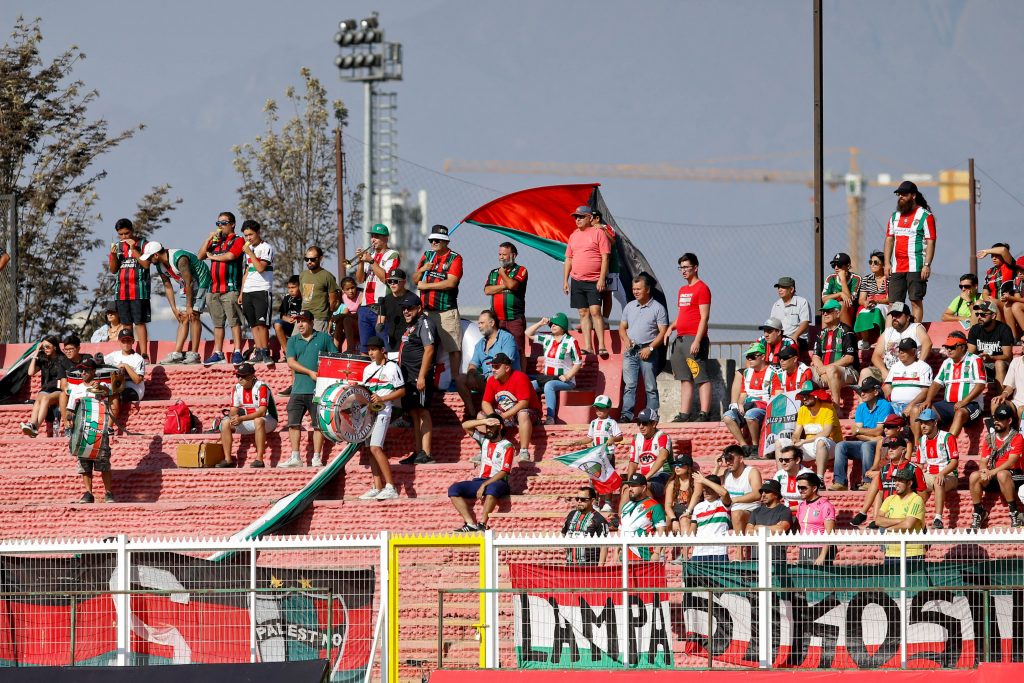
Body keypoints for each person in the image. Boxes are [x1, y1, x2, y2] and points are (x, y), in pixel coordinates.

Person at [415, 225, 466, 406]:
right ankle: (426, 381)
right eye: (431, 240)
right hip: (427, 310)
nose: (433, 243)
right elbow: (415, 279)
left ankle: (454, 380)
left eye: (437, 240)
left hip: (446, 311)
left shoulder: (455, 258)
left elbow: (451, 282)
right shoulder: (427, 256)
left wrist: (426, 285)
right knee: (426, 348)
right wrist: (422, 271)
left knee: (453, 348)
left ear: (445, 241)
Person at [280, 310, 338, 469]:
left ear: (312, 322)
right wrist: (310, 372)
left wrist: (324, 374)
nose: (300, 324)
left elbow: (334, 359)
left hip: (318, 391)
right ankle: (295, 457)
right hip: (298, 390)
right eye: (298, 321)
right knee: (293, 424)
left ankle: (317, 457)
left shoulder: (324, 338)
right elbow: (291, 362)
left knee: (318, 425)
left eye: (303, 321)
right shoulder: (292, 340)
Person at [140, 242, 210, 365]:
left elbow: (190, 283)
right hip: (186, 284)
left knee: (194, 315)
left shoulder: (179, 259)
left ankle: (194, 354)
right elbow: (168, 286)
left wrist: (189, 306)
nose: (149, 261)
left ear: (156, 255)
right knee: (183, 317)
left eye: (150, 258)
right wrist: (173, 308)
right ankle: (177, 354)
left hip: (200, 281)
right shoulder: (159, 266)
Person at [356, 336, 405, 500]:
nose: (371, 353)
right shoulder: (368, 369)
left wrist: (383, 399)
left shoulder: (392, 367)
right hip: (369, 413)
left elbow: (402, 391)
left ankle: (391, 487)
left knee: (376, 448)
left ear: (382, 350)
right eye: (369, 349)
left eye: (374, 349)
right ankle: (377, 486)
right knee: (370, 450)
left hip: (384, 411)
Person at [59, 358, 114, 503]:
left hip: (99, 430)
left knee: (104, 463)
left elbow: (109, 393)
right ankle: (88, 493)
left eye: (87, 370)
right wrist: (69, 420)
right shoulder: (76, 390)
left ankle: (108, 493)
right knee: (85, 464)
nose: (83, 373)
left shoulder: (102, 385)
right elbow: (70, 410)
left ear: (93, 371)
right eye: (82, 370)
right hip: (82, 431)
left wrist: (101, 389)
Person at [911, 333, 985, 439]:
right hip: (948, 405)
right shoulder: (947, 363)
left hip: (971, 405)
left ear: (963, 347)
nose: (949, 350)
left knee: (959, 413)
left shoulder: (975, 360)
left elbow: (980, 386)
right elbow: (936, 383)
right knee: (916, 409)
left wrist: (964, 402)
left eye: (952, 347)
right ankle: (919, 445)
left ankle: (948, 445)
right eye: (947, 347)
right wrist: (928, 400)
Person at [450, 414, 515, 532]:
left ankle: (482, 524)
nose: (488, 429)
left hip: (498, 482)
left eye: (491, 427)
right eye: (487, 427)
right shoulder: (484, 440)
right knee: (454, 489)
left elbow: (504, 471)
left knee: (492, 489)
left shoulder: (507, 446)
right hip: (480, 480)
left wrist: (484, 485)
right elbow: (465, 426)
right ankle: (470, 524)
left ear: (500, 427)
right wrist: (484, 420)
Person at [618, 274, 669, 422]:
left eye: (638, 289)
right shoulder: (629, 306)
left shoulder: (658, 308)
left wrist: (651, 348)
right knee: (629, 385)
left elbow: (663, 332)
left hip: (648, 351)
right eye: (634, 289)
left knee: (650, 387)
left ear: (647, 289)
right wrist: (626, 339)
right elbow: (622, 328)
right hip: (631, 351)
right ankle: (626, 415)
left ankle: (651, 416)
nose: (635, 291)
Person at [396, 293, 439, 466]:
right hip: (408, 378)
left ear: (419, 308)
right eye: (404, 308)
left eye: (410, 308)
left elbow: (429, 350)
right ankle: (418, 451)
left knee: (422, 411)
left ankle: (426, 453)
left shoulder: (425, 323)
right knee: (414, 413)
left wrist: (421, 376)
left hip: (419, 377)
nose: (406, 311)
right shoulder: (410, 326)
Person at [884, 180, 936, 323]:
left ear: (913, 195)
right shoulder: (895, 216)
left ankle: (916, 331)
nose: (900, 197)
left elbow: (931, 241)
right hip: (896, 267)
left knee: (915, 300)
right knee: (894, 303)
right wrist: (887, 263)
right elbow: (889, 239)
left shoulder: (925, 215)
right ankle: (890, 335)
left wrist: (927, 264)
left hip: (916, 265)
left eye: (904, 194)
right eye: (899, 194)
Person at [199, 211, 246, 365]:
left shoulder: (238, 240)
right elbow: (200, 256)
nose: (221, 226)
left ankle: (237, 351)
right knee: (217, 323)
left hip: (230, 288)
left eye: (224, 223)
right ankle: (218, 352)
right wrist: (209, 239)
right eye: (218, 223)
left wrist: (212, 257)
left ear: (232, 224)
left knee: (234, 322)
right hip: (213, 289)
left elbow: (231, 256)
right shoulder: (216, 242)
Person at [563, 206, 611, 356]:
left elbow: (605, 257)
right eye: (576, 217)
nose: (577, 219)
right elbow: (568, 258)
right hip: (576, 279)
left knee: (596, 311)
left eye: (581, 217)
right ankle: (588, 347)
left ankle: (602, 346)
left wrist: (602, 278)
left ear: (590, 218)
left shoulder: (599, 233)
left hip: (594, 279)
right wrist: (565, 280)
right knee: (583, 312)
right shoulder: (573, 235)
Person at [830, 377, 893, 491]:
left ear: (876, 391)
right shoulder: (861, 407)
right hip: (871, 443)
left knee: (866, 445)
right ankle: (840, 482)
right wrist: (872, 437)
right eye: (861, 391)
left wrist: (863, 432)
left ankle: (869, 481)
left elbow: (879, 431)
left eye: (866, 390)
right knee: (840, 445)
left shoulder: (884, 405)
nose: (862, 393)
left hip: (884, 446)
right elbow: (856, 433)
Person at [563, 394, 624, 512]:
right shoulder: (593, 423)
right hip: (595, 456)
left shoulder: (611, 423)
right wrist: (578, 442)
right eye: (597, 408)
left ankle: (607, 503)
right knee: (594, 479)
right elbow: (589, 438)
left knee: (607, 478)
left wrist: (613, 439)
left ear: (608, 409)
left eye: (601, 408)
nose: (599, 410)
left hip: (607, 454)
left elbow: (620, 437)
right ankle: (595, 502)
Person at [670, 252, 712, 422]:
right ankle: (684, 413)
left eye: (687, 267)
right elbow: (682, 314)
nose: (684, 271)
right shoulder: (682, 290)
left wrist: (697, 340)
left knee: (700, 376)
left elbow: (704, 317)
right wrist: (671, 327)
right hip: (680, 338)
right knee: (684, 378)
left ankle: (704, 413)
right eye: (681, 267)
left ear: (696, 268)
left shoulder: (702, 288)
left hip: (694, 338)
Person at [850, 435, 925, 527]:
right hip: (887, 518)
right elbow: (881, 494)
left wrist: (913, 514)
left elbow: (922, 496)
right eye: (889, 447)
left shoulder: (914, 469)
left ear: (904, 450)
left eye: (894, 447)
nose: (890, 450)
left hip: (907, 516)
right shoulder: (884, 469)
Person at [970, 403, 1024, 529]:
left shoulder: (1017, 437)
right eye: (995, 419)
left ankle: (1014, 512)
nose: (996, 422)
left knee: (1002, 473)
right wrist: (984, 471)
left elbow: (1011, 462)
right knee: (974, 476)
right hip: (994, 474)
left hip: (1015, 475)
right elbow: (984, 460)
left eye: (1000, 419)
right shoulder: (990, 438)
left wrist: (991, 472)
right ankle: (979, 512)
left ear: (1009, 420)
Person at [481, 352, 542, 462]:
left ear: (507, 368)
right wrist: (493, 416)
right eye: (492, 366)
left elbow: (524, 403)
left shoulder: (520, 377)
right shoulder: (491, 380)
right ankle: (485, 449)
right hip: (505, 415)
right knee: (481, 416)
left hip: (529, 414)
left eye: (497, 367)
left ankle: (524, 451)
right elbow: (485, 402)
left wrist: (502, 416)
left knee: (523, 414)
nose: (493, 369)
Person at [525, 313, 582, 425]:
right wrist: (541, 323)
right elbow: (528, 333)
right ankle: (533, 415)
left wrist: (567, 376)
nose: (553, 326)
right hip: (547, 378)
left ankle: (550, 418)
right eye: (551, 324)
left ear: (563, 326)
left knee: (549, 386)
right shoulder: (547, 339)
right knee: (529, 386)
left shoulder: (571, 341)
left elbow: (578, 363)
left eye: (556, 324)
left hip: (565, 381)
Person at [218, 362, 278, 468]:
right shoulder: (236, 388)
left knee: (258, 420)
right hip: (248, 420)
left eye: (243, 376)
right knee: (225, 423)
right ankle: (228, 459)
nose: (239, 379)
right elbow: (233, 410)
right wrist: (234, 417)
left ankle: (259, 459)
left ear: (251, 376)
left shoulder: (261, 387)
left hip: (269, 420)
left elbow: (262, 412)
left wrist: (241, 418)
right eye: (238, 376)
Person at [106, 218, 151, 358]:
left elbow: (146, 265)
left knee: (140, 322)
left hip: (139, 290)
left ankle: (144, 354)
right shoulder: (118, 246)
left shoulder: (143, 244)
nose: (124, 237)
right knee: (126, 324)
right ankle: (129, 354)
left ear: (132, 230)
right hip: (122, 292)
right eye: (121, 234)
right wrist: (113, 255)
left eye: (126, 233)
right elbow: (113, 270)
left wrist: (133, 249)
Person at [461, 310, 520, 412]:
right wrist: (470, 374)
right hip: (488, 381)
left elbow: (506, 363)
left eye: (482, 323)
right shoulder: (480, 344)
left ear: (492, 323)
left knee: (491, 379)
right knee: (460, 379)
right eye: (478, 323)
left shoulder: (507, 338)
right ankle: (471, 413)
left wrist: (491, 377)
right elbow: (473, 364)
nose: (479, 326)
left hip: (506, 380)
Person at [355, 223, 400, 353]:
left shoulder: (392, 254)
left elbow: (386, 278)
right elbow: (359, 279)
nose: (373, 239)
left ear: (385, 239)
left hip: (380, 306)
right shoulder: (370, 255)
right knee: (365, 348)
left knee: (383, 346)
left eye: (377, 237)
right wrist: (360, 262)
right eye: (372, 236)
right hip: (364, 306)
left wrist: (371, 262)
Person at [861, 302, 932, 383]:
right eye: (893, 315)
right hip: (888, 370)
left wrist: (919, 364)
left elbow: (928, 344)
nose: (894, 318)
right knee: (865, 372)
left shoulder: (915, 328)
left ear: (908, 317)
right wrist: (884, 371)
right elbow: (876, 356)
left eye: (898, 315)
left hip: (909, 369)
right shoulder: (887, 332)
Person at [722, 343, 771, 457]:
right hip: (749, 404)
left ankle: (755, 446)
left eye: (753, 356)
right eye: (748, 357)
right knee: (727, 416)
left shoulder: (772, 372)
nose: (749, 359)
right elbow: (743, 393)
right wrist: (739, 403)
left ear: (762, 356)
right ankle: (744, 446)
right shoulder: (747, 373)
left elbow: (775, 396)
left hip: (763, 405)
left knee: (750, 415)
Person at [913, 408, 959, 529]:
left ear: (935, 422)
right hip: (930, 474)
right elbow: (919, 464)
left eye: (927, 422)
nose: (923, 426)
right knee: (913, 482)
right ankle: (915, 518)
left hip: (949, 475)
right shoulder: (921, 440)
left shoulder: (947, 437)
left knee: (938, 481)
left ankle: (938, 518)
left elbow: (954, 462)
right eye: (921, 423)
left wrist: (942, 473)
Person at [238, 219, 274, 363]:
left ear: (258, 232)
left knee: (262, 323)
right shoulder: (249, 250)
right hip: (248, 290)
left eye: (251, 235)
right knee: (253, 323)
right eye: (246, 235)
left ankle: (266, 351)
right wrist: (242, 292)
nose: (248, 238)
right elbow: (247, 271)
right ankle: (258, 350)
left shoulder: (266, 248)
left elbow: (260, 268)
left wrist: (250, 253)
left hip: (262, 289)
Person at [20, 335, 72, 437]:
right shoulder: (43, 359)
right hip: (46, 390)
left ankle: (35, 427)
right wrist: (36, 352)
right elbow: (30, 372)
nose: (45, 349)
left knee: (45, 398)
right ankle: (32, 424)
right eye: (43, 347)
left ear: (55, 347)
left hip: (58, 390)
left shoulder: (62, 359)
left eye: (47, 347)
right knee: (39, 398)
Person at [873, 468, 926, 567]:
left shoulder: (916, 499)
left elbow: (908, 525)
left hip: (912, 553)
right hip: (891, 553)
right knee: (892, 582)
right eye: (895, 480)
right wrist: (902, 520)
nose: (896, 483)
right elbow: (878, 520)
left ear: (909, 483)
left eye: (900, 481)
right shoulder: (889, 499)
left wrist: (888, 528)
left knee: (914, 582)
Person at [810, 299, 858, 405]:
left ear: (837, 313)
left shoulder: (847, 331)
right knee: (805, 371)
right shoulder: (821, 334)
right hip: (826, 371)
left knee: (832, 369)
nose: (825, 314)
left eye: (828, 311)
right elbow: (816, 357)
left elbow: (849, 358)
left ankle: (836, 407)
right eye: (823, 312)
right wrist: (822, 371)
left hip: (848, 372)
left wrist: (826, 369)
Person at [791, 380, 843, 478]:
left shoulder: (828, 409)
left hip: (831, 446)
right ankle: (783, 478)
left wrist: (803, 441)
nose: (804, 398)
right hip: (809, 445)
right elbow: (797, 432)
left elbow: (826, 433)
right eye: (803, 396)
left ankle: (820, 479)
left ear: (816, 395)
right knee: (781, 443)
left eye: (807, 395)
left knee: (821, 441)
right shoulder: (802, 410)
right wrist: (794, 439)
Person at [484, 242, 529, 354]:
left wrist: (503, 274)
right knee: (496, 349)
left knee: (518, 350)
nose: (501, 257)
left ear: (513, 255)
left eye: (504, 254)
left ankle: (520, 372)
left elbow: (513, 285)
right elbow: (487, 290)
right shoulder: (494, 272)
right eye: (500, 254)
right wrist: (505, 285)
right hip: (497, 320)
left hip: (514, 319)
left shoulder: (521, 270)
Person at [714, 444, 762, 547]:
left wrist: (735, 500)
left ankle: (739, 555)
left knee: (736, 513)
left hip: (750, 511)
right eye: (726, 459)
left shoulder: (752, 472)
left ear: (740, 459)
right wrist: (717, 467)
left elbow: (757, 494)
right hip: (730, 511)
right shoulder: (727, 472)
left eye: (731, 459)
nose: (728, 462)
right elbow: (711, 483)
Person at [104, 328, 146, 435]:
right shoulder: (114, 355)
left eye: (128, 341)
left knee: (116, 394)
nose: (126, 343)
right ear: (119, 342)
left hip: (134, 389)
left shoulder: (138, 359)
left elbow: (137, 380)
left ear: (132, 342)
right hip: (117, 385)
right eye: (123, 341)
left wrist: (126, 366)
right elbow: (100, 363)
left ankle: (109, 427)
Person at [624, 407, 672, 502]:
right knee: (626, 490)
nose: (641, 426)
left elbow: (662, 458)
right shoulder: (637, 438)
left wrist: (644, 479)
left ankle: (653, 515)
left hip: (663, 476)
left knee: (645, 487)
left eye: (644, 423)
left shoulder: (662, 437)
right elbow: (633, 462)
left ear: (654, 424)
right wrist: (631, 482)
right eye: (639, 423)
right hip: (644, 477)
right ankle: (623, 516)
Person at [618, 473, 667, 562]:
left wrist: (657, 553)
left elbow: (661, 531)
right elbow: (620, 529)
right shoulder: (626, 506)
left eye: (634, 486)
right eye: (629, 486)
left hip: (644, 557)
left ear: (644, 488)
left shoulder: (654, 506)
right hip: (625, 558)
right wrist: (616, 552)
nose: (630, 489)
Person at [686, 472, 732, 564]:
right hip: (698, 553)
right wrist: (687, 551)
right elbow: (692, 529)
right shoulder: (698, 507)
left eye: (709, 488)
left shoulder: (723, 503)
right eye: (704, 488)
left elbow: (724, 493)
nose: (705, 491)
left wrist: (704, 480)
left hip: (719, 552)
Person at [745, 479, 793, 563]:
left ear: (776, 494)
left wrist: (758, 527)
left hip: (776, 558)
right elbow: (748, 532)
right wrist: (773, 528)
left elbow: (781, 530)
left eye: (767, 491)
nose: (763, 494)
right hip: (756, 557)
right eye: (762, 492)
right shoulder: (756, 511)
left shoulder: (784, 510)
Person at [967, 299, 1014, 385]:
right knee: (968, 364)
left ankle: (1000, 397)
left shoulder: (1004, 329)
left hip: (1001, 365)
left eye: (983, 314)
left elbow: (1007, 356)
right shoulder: (975, 329)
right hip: (982, 363)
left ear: (993, 316)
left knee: (999, 364)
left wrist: (991, 358)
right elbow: (970, 354)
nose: (979, 317)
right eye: (977, 314)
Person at [882, 338, 933, 417]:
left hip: (913, 405)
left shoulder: (923, 367)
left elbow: (925, 391)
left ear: (914, 352)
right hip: (893, 404)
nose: (901, 352)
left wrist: (911, 405)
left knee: (913, 411)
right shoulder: (895, 366)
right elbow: (887, 386)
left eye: (905, 350)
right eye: (900, 350)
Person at [561, 486, 610, 565]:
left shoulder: (600, 520)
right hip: (570, 566)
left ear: (592, 501)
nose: (579, 501)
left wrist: (600, 568)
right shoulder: (571, 515)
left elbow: (604, 546)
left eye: (583, 499)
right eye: (577, 499)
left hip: (589, 568)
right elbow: (563, 534)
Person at [794, 473, 836, 565]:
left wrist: (822, 555)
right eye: (799, 487)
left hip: (819, 548)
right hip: (803, 548)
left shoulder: (826, 505)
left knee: (820, 579)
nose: (800, 490)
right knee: (804, 578)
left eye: (804, 488)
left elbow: (830, 532)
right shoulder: (801, 505)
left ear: (814, 488)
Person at [299, 245, 340, 333]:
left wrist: (329, 317)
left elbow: (333, 300)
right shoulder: (302, 275)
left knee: (317, 345)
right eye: (307, 259)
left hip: (319, 318)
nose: (309, 262)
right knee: (296, 343)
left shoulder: (327, 276)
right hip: (303, 316)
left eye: (313, 259)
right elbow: (303, 296)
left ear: (320, 258)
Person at [854, 250, 889, 346]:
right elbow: (861, 299)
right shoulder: (866, 279)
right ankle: (865, 341)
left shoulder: (890, 278)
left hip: (885, 305)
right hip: (871, 304)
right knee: (862, 312)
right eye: (870, 262)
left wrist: (877, 300)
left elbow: (890, 299)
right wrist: (865, 303)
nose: (872, 265)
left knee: (878, 309)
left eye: (875, 262)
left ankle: (881, 339)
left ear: (883, 265)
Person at [821, 252, 861, 328]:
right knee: (826, 306)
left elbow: (849, 300)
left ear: (848, 266)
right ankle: (824, 336)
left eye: (839, 265)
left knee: (843, 304)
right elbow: (824, 299)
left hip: (850, 310)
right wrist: (840, 294)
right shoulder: (831, 278)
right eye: (834, 265)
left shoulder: (856, 279)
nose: (836, 267)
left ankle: (846, 334)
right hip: (833, 308)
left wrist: (843, 279)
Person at [769, 276, 811, 346]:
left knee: (785, 352)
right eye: (778, 287)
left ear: (791, 289)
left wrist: (795, 336)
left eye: (783, 287)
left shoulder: (802, 302)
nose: (779, 290)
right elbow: (772, 325)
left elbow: (805, 323)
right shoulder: (776, 305)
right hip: (780, 340)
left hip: (798, 339)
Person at [772, 444, 814, 512]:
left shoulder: (808, 475)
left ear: (797, 460)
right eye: (781, 460)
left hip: (805, 512)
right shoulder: (779, 475)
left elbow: (812, 502)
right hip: (785, 513)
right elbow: (772, 495)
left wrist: (787, 510)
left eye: (787, 460)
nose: (783, 463)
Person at [664, 454, 698, 535]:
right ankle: (658, 548)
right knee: (664, 522)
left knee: (684, 520)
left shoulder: (696, 480)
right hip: (676, 511)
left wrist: (688, 512)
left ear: (688, 466)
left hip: (691, 511)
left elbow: (697, 496)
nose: (676, 467)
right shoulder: (672, 483)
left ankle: (685, 548)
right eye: (675, 465)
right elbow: (667, 506)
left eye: (680, 464)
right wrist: (674, 520)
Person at [273, 275, 303, 364]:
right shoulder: (287, 298)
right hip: (291, 325)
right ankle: (288, 353)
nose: (290, 290)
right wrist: (288, 319)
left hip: (303, 325)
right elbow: (282, 315)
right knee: (277, 324)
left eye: (293, 287)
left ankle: (300, 354)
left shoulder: (305, 298)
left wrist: (299, 319)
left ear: (300, 287)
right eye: (289, 288)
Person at [378, 268, 410, 350]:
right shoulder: (385, 300)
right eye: (390, 281)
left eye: (396, 281)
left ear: (404, 282)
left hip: (408, 340)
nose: (392, 284)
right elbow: (380, 321)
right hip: (392, 341)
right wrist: (379, 326)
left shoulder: (412, 298)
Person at [331, 276, 360, 352]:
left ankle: (351, 348)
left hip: (358, 323)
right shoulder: (343, 297)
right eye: (347, 289)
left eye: (352, 288)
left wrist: (342, 315)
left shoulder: (360, 296)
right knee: (340, 320)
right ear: (343, 290)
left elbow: (359, 315)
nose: (351, 291)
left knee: (345, 319)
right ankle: (334, 349)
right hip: (345, 324)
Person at [992, 354, 1024, 420]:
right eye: (1023, 343)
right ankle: (995, 427)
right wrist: (1003, 395)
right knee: (995, 402)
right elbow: (1010, 386)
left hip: (1021, 408)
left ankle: (1020, 430)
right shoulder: (1016, 361)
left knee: (1021, 410)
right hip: (1016, 403)